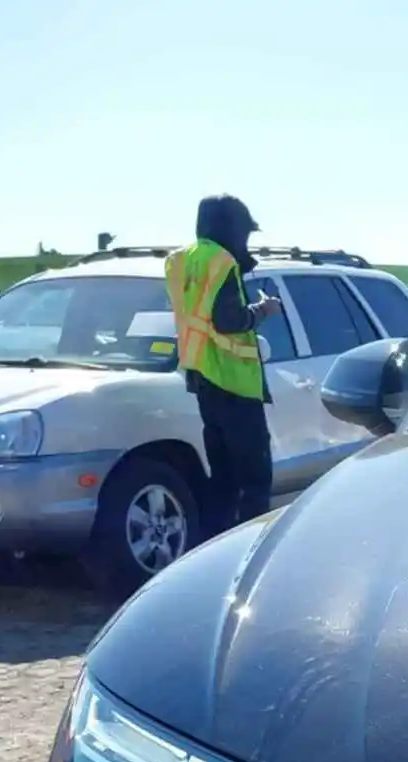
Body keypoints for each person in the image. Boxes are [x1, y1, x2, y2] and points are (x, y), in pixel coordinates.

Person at [164, 195, 282, 537]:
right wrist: (264, 310)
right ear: (232, 228)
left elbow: (199, 307)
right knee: (255, 481)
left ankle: (213, 548)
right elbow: (229, 320)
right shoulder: (221, 261)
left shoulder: (181, 260)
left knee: (224, 481)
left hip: (202, 379)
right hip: (235, 384)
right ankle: (250, 548)